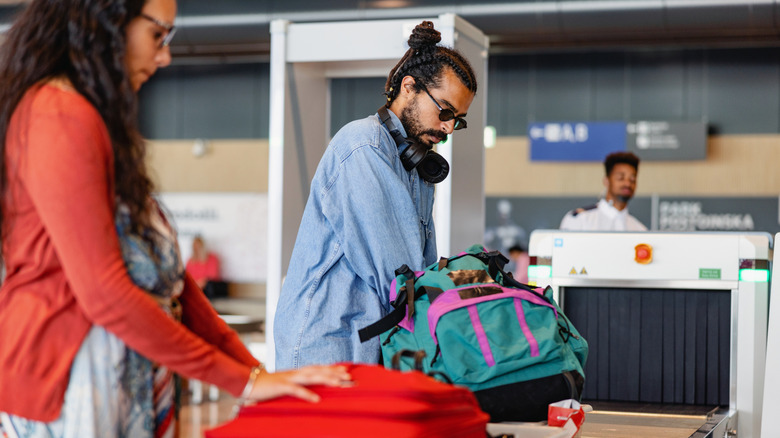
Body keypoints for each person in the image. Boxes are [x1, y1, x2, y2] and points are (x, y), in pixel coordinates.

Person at [0, 1, 350, 437]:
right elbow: (104, 293)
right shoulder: (58, 114)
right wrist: (245, 380)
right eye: (157, 35)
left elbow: (173, 286)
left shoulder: (91, 118)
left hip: (115, 368)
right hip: (68, 374)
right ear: (105, 21)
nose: (164, 56)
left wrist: (254, 373)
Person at [274, 21, 478, 370]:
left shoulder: (415, 164)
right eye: (444, 112)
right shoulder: (363, 147)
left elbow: (420, 270)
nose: (447, 128)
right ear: (409, 87)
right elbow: (400, 275)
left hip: (367, 348)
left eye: (457, 120)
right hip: (326, 350)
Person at [559, 151, 648, 231]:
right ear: (606, 181)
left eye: (632, 179)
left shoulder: (639, 229)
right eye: (621, 178)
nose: (627, 184)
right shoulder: (580, 219)